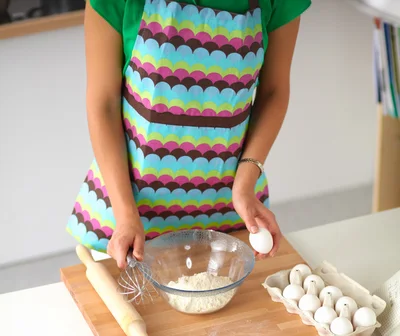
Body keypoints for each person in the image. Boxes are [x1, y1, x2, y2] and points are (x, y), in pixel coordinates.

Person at [67, 0, 311, 268]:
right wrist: (125, 214)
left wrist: (244, 184)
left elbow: (274, 91)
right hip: (128, 218)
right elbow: (104, 103)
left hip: (230, 213)